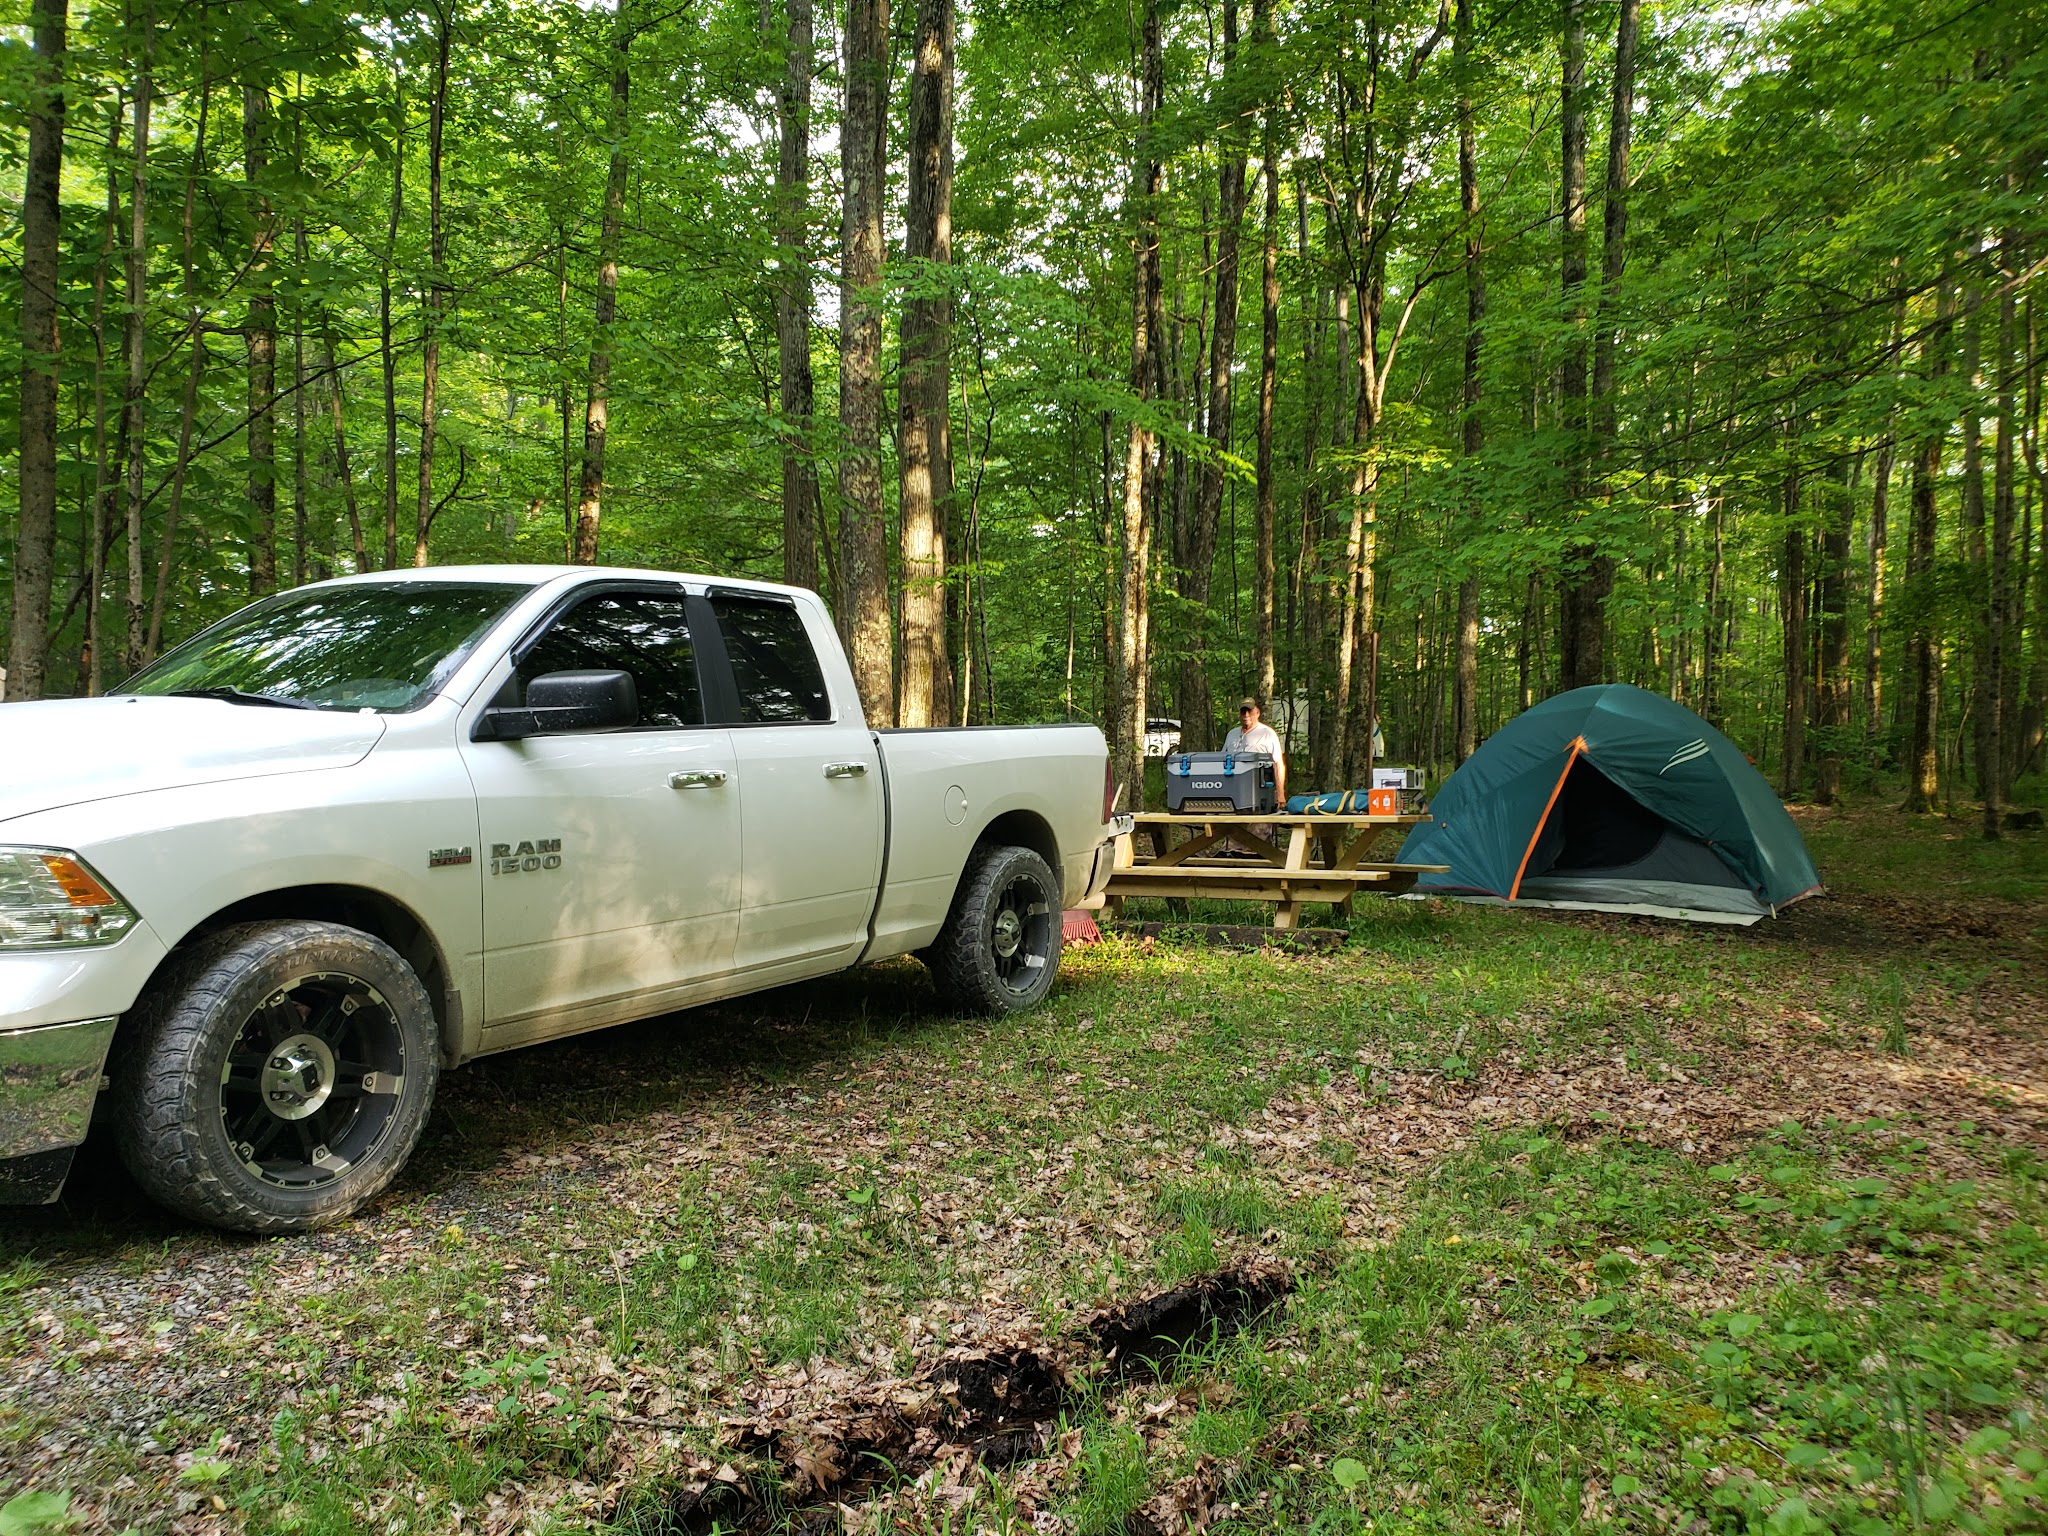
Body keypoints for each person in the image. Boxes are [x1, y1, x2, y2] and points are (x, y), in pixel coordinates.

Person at [1223, 696, 1286, 804]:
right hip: (1232, 788)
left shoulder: (1267, 733)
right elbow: (1222, 760)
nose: (1246, 715)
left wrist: (1280, 794)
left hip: (1257, 787)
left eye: (1250, 711)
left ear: (1257, 713)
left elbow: (1278, 764)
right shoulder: (1232, 734)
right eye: (1243, 712)